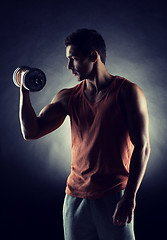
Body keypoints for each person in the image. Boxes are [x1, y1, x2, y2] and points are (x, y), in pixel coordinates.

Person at [19, 29, 151, 240]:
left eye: (73, 59)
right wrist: (24, 89)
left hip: (114, 195)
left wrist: (130, 197)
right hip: (74, 198)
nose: (69, 67)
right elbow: (31, 132)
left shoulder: (128, 93)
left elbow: (142, 147)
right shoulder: (68, 97)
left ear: (93, 56)